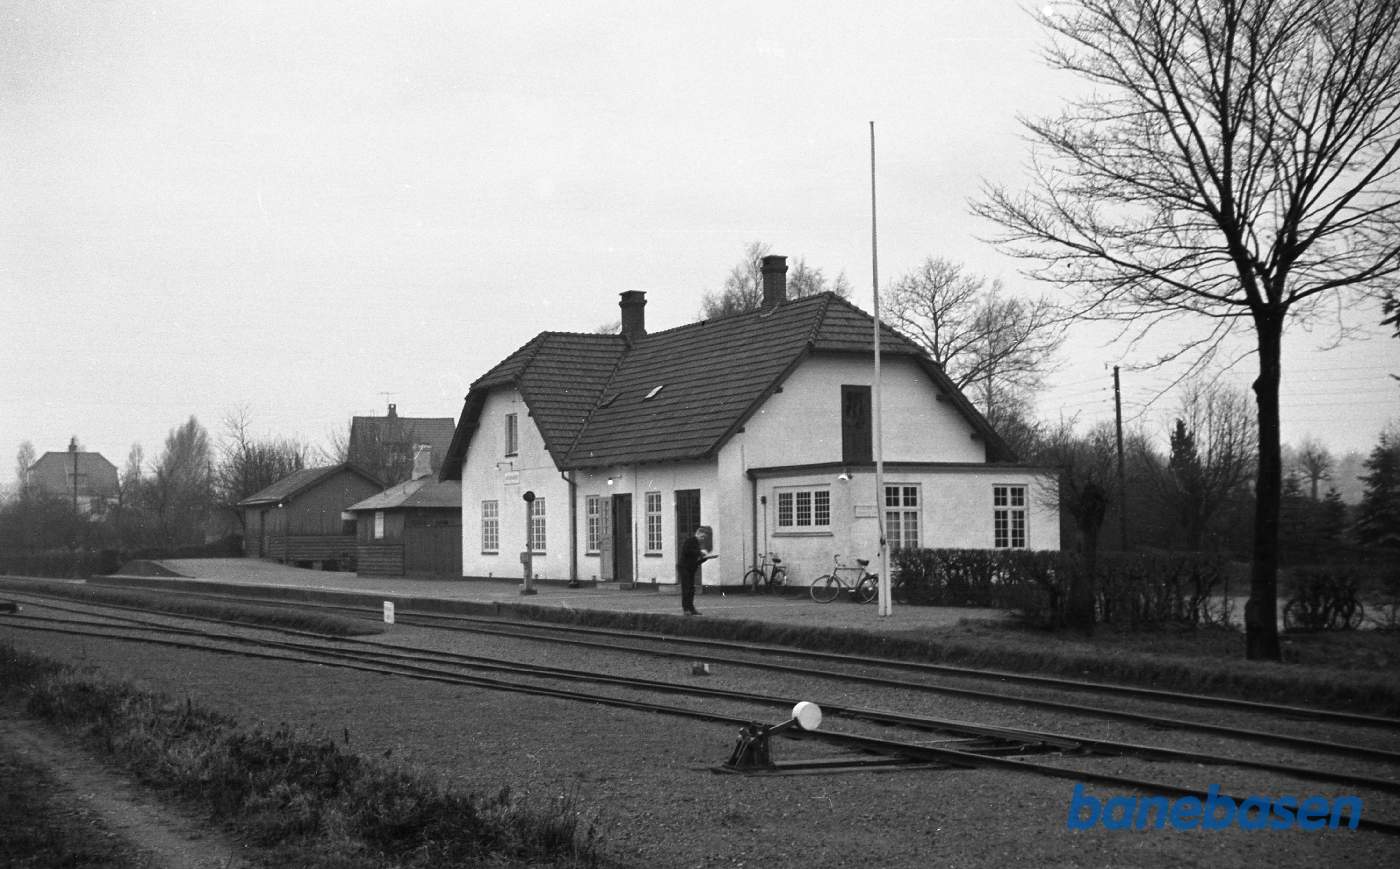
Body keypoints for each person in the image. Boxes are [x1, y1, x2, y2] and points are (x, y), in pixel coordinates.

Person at [677, 527, 710, 616]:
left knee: (691, 589)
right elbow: (687, 551)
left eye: (704, 538)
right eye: (702, 537)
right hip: (684, 567)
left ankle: (691, 608)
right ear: (698, 533)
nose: (703, 539)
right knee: (686, 588)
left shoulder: (696, 543)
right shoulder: (690, 540)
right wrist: (700, 553)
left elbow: (694, 558)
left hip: (691, 568)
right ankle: (686, 609)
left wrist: (704, 559)